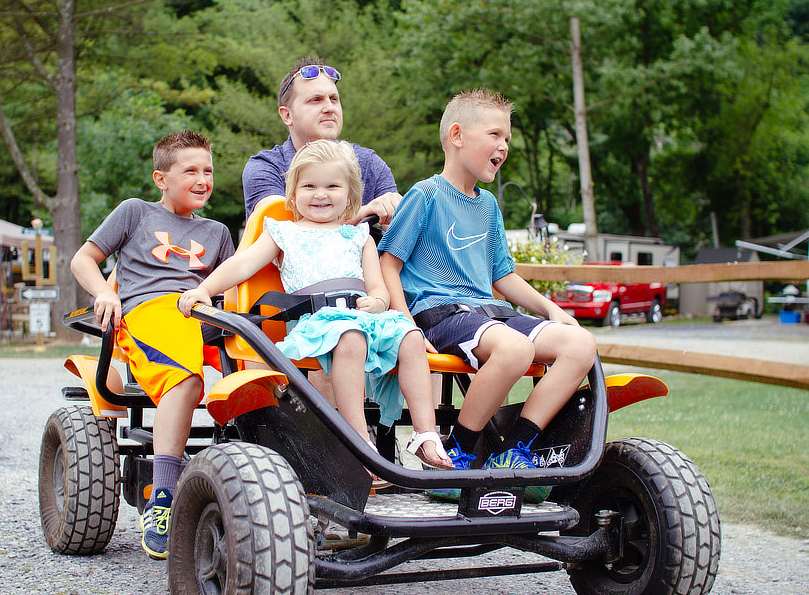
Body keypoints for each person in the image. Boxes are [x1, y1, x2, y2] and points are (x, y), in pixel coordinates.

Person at [180, 139, 453, 476]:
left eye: (332, 186)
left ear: (351, 195)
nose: (320, 194)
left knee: (410, 335)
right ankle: (357, 439)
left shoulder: (359, 237)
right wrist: (204, 289)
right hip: (318, 321)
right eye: (309, 185)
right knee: (350, 336)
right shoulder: (285, 232)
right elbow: (242, 265)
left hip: (361, 317)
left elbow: (378, 286)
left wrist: (379, 301)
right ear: (292, 194)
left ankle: (425, 434)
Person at [378, 89, 597, 503]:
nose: (504, 146)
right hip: (441, 311)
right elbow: (388, 262)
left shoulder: (489, 205)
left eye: (508, 140)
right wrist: (403, 319)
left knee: (580, 344)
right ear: (457, 135)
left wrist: (551, 309)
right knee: (514, 349)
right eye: (495, 134)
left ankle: (515, 451)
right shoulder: (425, 195)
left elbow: (503, 276)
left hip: (490, 312)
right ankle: (457, 453)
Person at [69, 130, 235, 559]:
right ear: (161, 179)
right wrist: (105, 293)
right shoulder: (136, 213)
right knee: (186, 380)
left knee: (265, 363)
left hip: (202, 315)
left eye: (209, 171)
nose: (203, 179)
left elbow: (229, 291)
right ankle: (162, 497)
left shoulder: (217, 232)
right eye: (191, 171)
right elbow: (82, 259)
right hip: (149, 314)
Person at [242, 55, 402, 225]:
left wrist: (395, 213)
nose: (329, 108)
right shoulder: (265, 167)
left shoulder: (369, 163)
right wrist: (365, 212)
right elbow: (281, 230)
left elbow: (398, 239)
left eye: (334, 99)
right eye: (316, 100)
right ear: (287, 115)